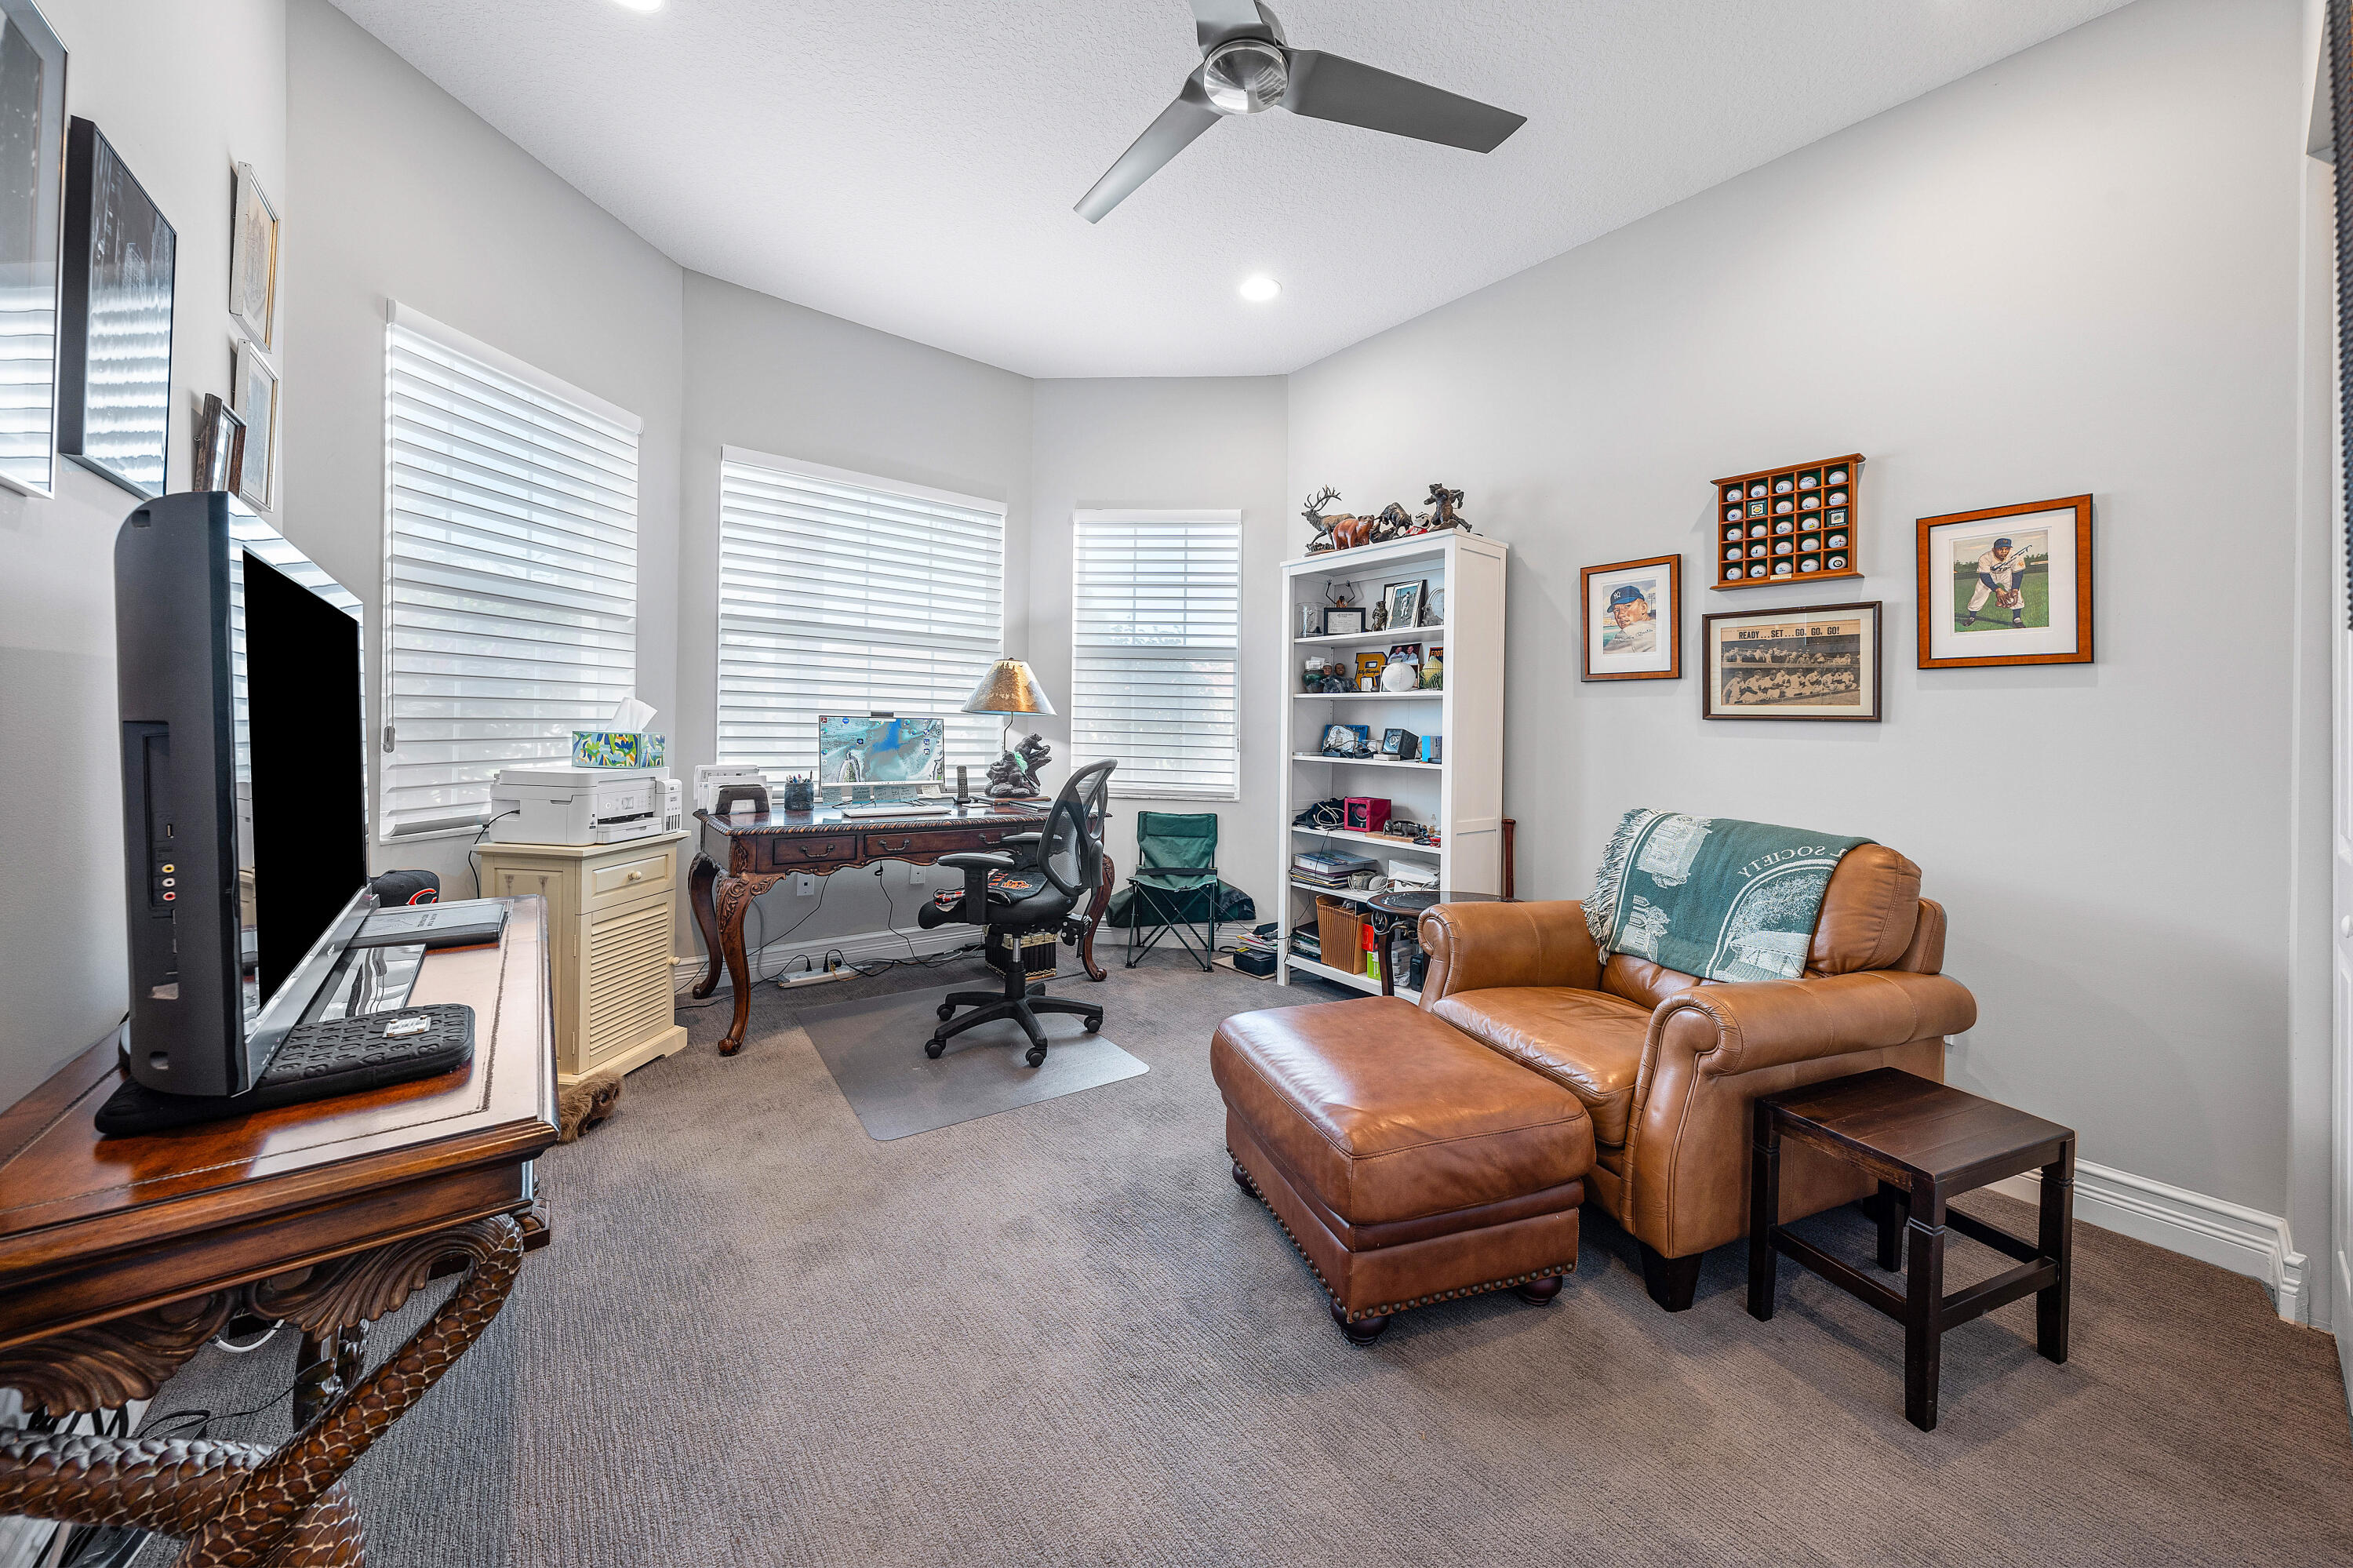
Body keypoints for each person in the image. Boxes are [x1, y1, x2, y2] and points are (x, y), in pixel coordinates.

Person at [1963, 537, 2029, 628]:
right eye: (2001, 549)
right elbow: (1984, 576)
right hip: (1990, 575)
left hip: (2007, 574)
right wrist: (1997, 589)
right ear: (1994, 549)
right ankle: (1972, 617)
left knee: (2016, 594)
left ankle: (2017, 618)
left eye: (2007, 549)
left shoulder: (2016, 555)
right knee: (1980, 593)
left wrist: (2015, 589)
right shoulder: (1985, 558)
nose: (2004, 552)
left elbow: (2018, 574)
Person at [1602, 583, 1657, 654]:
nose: (1620, 615)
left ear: (1643, 608)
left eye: (1627, 606)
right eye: (1616, 610)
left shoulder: (1628, 632)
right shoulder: (1656, 625)